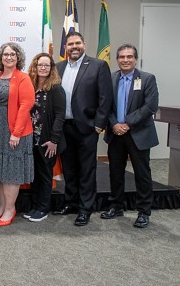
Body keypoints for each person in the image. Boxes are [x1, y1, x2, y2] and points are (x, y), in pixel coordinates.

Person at [54, 32, 113, 226]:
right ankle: (70, 202)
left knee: (87, 169)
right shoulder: (59, 67)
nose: (74, 47)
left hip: (87, 128)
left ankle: (85, 208)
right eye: (70, 44)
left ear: (84, 44)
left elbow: (105, 98)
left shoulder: (98, 66)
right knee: (69, 168)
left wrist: (99, 125)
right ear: (66, 47)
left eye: (77, 43)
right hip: (65, 127)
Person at [101, 44, 159, 228]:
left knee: (142, 174)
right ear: (117, 59)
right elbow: (105, 106)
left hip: (138, 133)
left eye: (129, 57)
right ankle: (116, 206)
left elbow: (150, 106)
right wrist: (114, 124)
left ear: (135, 59)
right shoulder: (110, 78)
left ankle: (143, 211)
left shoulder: (147, 79)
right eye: (122, 57)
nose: (125, 60)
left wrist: (126, 124)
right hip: (115, 133)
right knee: (115, 173)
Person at [0, 42, 35, 227]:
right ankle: (2, 206)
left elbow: (26, 105)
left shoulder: (23, 78)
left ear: (18, 58)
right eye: (5, 54)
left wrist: (16, 133)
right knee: (0, 171)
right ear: (0, 57)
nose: (9, 57)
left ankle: (10, 209)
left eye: (12, 54)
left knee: (11, 172)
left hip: (16, 131)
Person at [25, 53, 66, 222]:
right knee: (34, 174)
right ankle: (35, 206)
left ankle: (43, 208)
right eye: (40, 65)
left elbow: (60, 115)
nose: (43, 68)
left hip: (47, 140)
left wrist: (54, 140)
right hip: (30, 138)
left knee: (45, 174)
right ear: (34, 67)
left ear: (51, 68)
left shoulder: (56, 88)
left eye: (46, 65)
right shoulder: (29, 86)